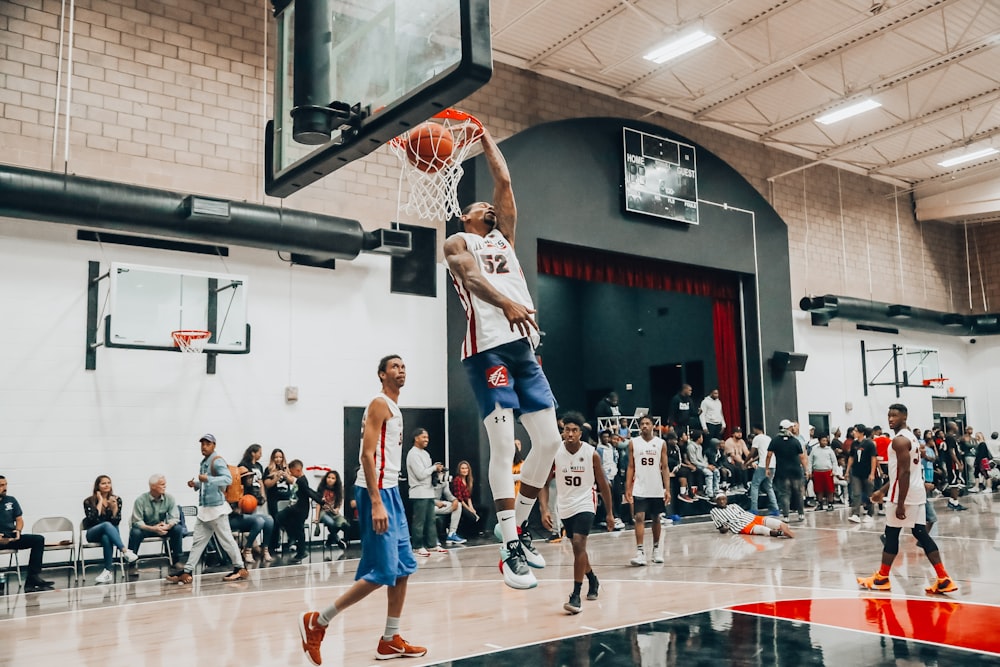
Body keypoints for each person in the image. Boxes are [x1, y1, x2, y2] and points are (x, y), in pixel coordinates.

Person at [443, 125, 563, 590]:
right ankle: (509, 547)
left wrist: (486, 137)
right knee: (502, 444)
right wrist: (508, 304)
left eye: (490, 207)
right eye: (480, 206)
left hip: (523, 349)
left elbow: (505, 184)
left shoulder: (505, 239)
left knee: (548, 442)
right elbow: (470, 279)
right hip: (486, 348)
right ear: (466, 216)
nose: (489, 207)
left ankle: (518, 525)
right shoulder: (458, 241)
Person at [299, 354, 425, 665]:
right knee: (383, 572)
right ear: (382, 374)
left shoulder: (394, 407)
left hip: (392, 490)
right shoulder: (379, 403)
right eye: (394, 366)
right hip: (377, 493)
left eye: (404, 365)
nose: (401, 369)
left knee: (404, 568)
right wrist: (377, 500)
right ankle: (318, 621)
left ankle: (389, 640)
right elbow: (367, 456)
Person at [858, 403, 957, 594]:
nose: (890, 419)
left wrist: (900, 503)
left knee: (892, 534)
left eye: (895, 415)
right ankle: (943, 578)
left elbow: (903, 474)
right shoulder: (910, 438)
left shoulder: (899, 441)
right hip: (915, 492)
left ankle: (882, 578)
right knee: (919, 532)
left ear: (905, 417)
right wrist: (883, 490)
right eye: (889, 415)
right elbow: (905, 472)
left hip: (904, 495)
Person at [537, 412, 614, 614]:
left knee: (579, 544)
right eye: (566, 430)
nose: (569, 433)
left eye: (574, 430)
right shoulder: (556, 453)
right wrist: (544, 509)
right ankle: (592, 579)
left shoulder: (591, 454)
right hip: (565, 505)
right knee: (578, 550)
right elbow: (543, 483)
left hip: (586, 503)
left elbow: (604, 485)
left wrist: (609, 513)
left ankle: (575, 595)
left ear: (580, 433)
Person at [166, 434, 248, 584]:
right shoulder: (204, 462)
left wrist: (207, 479)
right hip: (206, 511)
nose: (204, 446)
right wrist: (196, 485)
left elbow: (227, 479)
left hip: (216, 510)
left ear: (214, 445)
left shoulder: (217, 461)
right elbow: (207, 483)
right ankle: (187, 571)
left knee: (226, 540)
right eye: (202, 444)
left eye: (207, 444)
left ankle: (240, 568)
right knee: (198, 542)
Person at [625, 415, 671, 566]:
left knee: (656, 517)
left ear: (653, 426)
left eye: (647, 423)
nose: (644, 426)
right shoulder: (633, 443)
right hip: (640, 486)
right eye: (642, 424)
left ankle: (656, 549)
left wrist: (667, 489)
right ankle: (640, 552)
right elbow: (631, 466)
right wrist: (628, 487)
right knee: (639, 517)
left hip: (656, 486)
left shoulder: (660, 443)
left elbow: (664, 467)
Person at [0, 475, 55, 592]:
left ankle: (33, 577)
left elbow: (19, 519)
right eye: (1, 485)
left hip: (11, 537)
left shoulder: (11, 500)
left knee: (38, 539)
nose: (4, 488)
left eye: (5, 485)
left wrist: (18, 531)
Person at [83, 475, 139, 583]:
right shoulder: (88, 501)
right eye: (103, 483)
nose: (107, 485)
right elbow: (92, 520)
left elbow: (116, 521)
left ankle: (107, 571)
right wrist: (99, 501)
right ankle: (125, 551)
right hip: (92, 532)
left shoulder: (116, 499)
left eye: (108, 482)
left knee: (106, 538)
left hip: (109, 534)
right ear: (97, 486)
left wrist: (114, 508)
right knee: (106, 525)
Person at [127, 474, 183, 574]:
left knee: (177, 529)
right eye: (162, 484)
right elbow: (137, 521)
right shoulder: (140, 500)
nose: (165, 486)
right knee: (135, 532)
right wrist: (153, 528)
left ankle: (176, 560)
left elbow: (174, 517)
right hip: (146, 529)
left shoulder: (169, 498)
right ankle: (132, 563)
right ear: (153, 486)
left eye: (165, 484)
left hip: (161, 528)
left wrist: (168, 525)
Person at [230, 443, 274, 564]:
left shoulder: (257, 470)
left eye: (251, 477)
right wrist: (238, 507)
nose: (251, 478)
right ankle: (248, 549)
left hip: (251, 508)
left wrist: (262, 496)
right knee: (258, 521)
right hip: (235, 516)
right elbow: (232, 507)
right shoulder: (235, 488)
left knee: (269, 520)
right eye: (248, 477)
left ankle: (265, 548)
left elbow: (259, 487)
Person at [406, 428, 444, 557]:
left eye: (427, 437)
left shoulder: (425, 454)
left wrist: (437, 471)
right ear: (416, 438)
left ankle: (432, 544)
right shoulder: (413, 454)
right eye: (424, 437)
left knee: (430, 520)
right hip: (418, 492)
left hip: (428, 491)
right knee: (419, 521)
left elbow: (428, 473)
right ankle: (417, 546)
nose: (426, 440)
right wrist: (433, 468)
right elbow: (420, 474)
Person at [278, 459, 323, 563]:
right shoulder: (301, 480)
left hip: (300, 510)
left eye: (292, 472)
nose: (291, 474)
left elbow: (309, 492)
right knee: (297, 528)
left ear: (298, 470)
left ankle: (300, 550)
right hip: (298, 509)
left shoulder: (302, 481)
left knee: (283, 519)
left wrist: (320, 500)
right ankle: (299, 549)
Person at [766, 420, 809, 522]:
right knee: (798, 492)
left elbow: (769, 455)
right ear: (788, 428)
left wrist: (767, 468)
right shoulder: (795, 441)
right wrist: (806, 469)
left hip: (782, 472)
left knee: (784, 493)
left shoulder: (775, 440)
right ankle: (801, 514)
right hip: (796, 471)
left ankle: (786, 516)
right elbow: (802, 457)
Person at [710, 494, 794, 538]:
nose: (722, 501)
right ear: (716, 501)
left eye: (723, 499)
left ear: (726, 500)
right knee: (763, 530)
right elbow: (720, 528)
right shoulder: (714, 511)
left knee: (775, 522)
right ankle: (781, 533)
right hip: (741, 526)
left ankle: (786, 530)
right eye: (719, 500)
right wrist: (725, 529)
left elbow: (744, 513)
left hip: (751, 517)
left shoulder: (734, 505)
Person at [846, 425, 878, 524]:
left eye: (855, 431)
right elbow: (851, 457)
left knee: (869, 493)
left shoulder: (869, 444)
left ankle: (870, 513)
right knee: (856, 493)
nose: (853, 433)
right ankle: (855, 514)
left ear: (861, 432)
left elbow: (873, 458)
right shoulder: (854, 444)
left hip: (867, 472)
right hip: (856, 472)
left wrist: (872, 473)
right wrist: (847, 470)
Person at [263, 448, 293, 553]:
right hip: (274, 498)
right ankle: (275, 544)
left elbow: (292, 481)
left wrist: (286, 475)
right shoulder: (268, 469)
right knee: (276, 520)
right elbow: (267, 484)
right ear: (273, 458)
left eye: (280, 457)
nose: (278, 459)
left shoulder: (287, 468)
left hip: (286, 497)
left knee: (289, 519)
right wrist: (276, 477)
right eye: (276, 457)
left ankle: (290, 542)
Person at [748, 425, 779, 516]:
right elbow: (763, 454)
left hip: (763, 465)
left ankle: (754, 509)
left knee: (754, 485)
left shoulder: (757, 438)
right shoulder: (768, 438)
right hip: (772, 464)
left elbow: (752, 453)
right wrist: (751, 462)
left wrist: (746, 462)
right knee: (769, 487)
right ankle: (775, 509)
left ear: (755, 429)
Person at [315, 470, 350, 551]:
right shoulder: (321, 488)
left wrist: (337, 509)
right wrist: (316, 517)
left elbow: (339, 501)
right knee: (331, 523)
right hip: (323, 512)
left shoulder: (338, 489)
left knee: (345, 524)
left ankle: (330, 538)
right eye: (329, 477)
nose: (330, 479)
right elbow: (318, 504)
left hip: (333, 512)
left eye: (333, 478)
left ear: (336, 480)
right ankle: (337, 539)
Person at [432, 469, 465, 545]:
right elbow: (427, 497)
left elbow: (448, 494)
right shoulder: (428, 482)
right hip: (429, 505)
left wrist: (454, 500)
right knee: (428, 510)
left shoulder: (444, 482)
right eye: (440, 472)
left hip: (440, 506)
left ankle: (452, 534)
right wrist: (436, 502)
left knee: (458, 505)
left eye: (443, 473)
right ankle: (432, 537)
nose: (442, 474)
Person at [686, 430, 721, 498]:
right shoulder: (691, 447)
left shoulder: (700, 447)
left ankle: (716, 490)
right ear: (698, 438)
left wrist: (709, 465)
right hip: (695, 466)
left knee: (716, 471)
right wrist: (707, 466)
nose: (702, 439)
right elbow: (693, 461)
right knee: (709, 473)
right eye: (701, 437)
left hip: (702, 465)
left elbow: (701, 459)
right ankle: (709, 493)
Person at [450, 460, 481, 536]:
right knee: (471, 517)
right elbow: (459, 498)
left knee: (484, 509)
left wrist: (472, 507)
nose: (465, 470)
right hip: (459, 504)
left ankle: (477, 531)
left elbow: (468, 497)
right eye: (462, 468)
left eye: (466, 468)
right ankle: (464, 533)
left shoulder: (468, 480)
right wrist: (469, 509)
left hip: (466, 503)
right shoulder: (457, 480)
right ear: (459, 470)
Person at [808, 435, 837, 511]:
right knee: (818, 489)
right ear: (819, 441)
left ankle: (830, 504)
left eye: (826, 441)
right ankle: (819, 504)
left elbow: (834, 461)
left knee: (830, 489)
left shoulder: (829, 450)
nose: (824, 442)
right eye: (823, 440)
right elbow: (810, 461)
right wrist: (809, 471)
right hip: (817, 472)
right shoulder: (814, 450)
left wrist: (834, 471)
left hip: (828, 472)